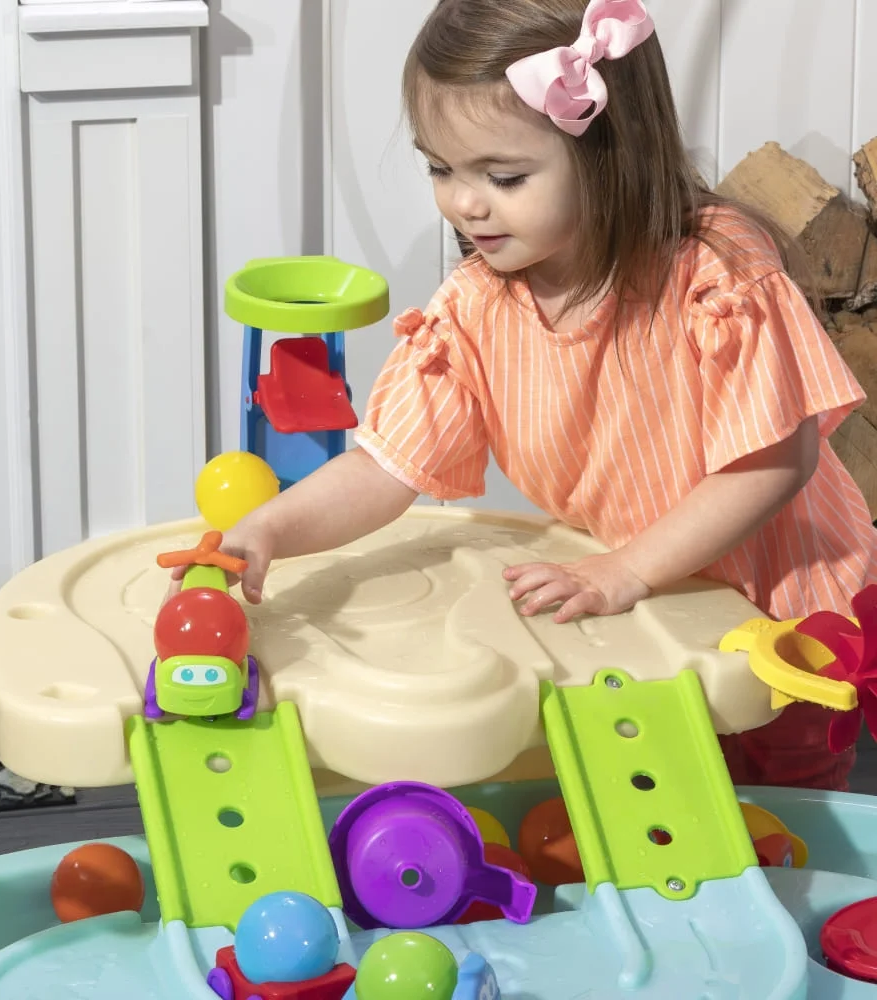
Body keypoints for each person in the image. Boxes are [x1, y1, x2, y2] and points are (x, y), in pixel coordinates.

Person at [174, 0, 877, 789]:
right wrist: (269, 528)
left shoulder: (714, 274)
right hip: (653, 611)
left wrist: (628, 570)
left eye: (502, 177)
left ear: (611, 153)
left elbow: (772, 463)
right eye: (440, 168)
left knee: (774, 805)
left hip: (782, 607)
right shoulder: (477, 309)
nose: (465, 203)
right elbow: (384, 467)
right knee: (663, 801)